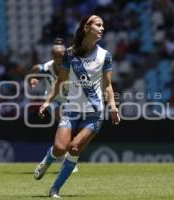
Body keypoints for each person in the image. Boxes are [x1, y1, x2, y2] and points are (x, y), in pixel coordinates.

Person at [38, 14, 120, 198]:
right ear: (86, 28)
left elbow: (108, 85)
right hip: (71, 111)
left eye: (103, 25)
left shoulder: (105, 55)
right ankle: (47, 160)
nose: (102, 28)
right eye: (98, 25)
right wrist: (47, 102)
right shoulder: (69, 53)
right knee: (60, 148)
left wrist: (113, 107)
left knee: (74, 148)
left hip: (94, 113)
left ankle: (54, 189)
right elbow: (60, 81)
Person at [29, 38, 79, 177]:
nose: (59, 58)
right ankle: (64, 157)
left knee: (70, 128)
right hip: (52, 99)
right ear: (52, 56)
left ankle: (64, 155)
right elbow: (34, 71)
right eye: (56, 55)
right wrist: (32, 80)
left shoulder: (72, 66)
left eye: (61, 55)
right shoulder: (45, 68)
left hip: (70, 100)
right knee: (63, 119)